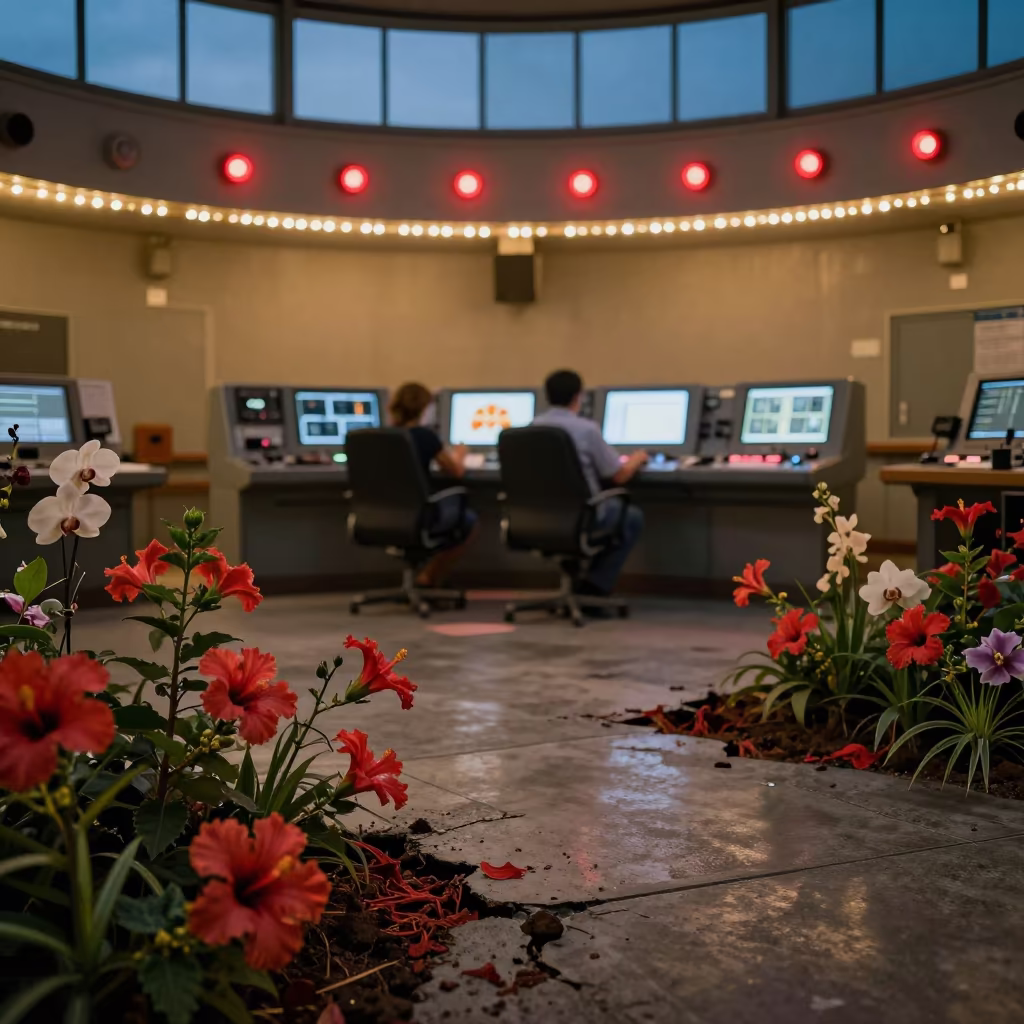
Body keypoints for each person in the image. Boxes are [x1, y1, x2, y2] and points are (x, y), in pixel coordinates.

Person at [532, 369, 646, 597]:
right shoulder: (587, 429)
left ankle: (580, 585)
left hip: (538, 518)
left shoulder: (530, 428)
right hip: (582, 517)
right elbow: (618, 476)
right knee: (630, 517)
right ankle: (595, 586)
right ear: (578, 396)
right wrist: (638, 458)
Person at [389, 382, 478, 587]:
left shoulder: (383, 436)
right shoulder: (425, 436)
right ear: (425, 410)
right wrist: (461, 453)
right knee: (469, 521)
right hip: (420, 515)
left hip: (384, 514)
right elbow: (456, 472)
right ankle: (429, 578)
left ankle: (420, 581)